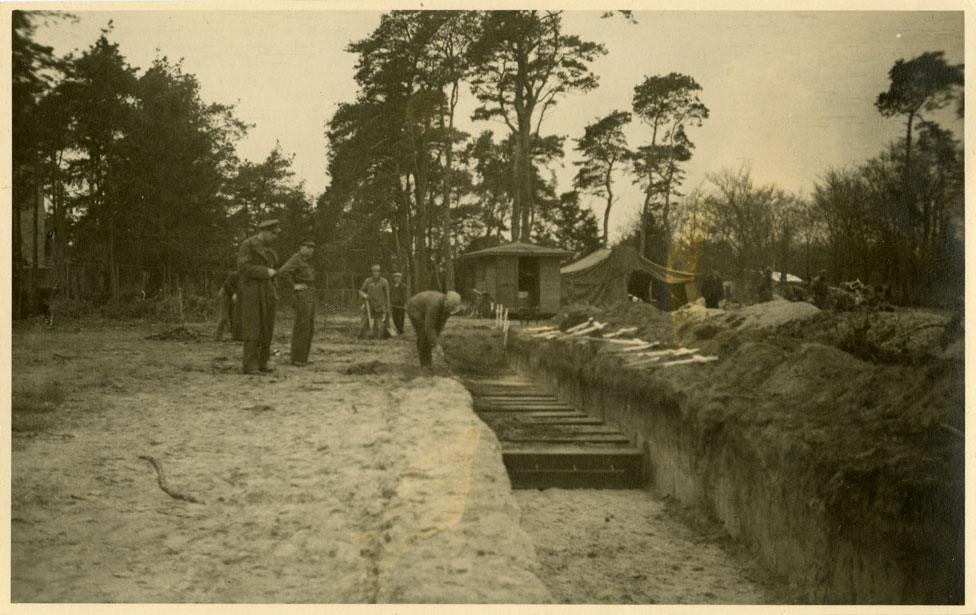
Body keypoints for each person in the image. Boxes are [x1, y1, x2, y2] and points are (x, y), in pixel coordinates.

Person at [238, 219, 281, 374]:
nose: (275, 237)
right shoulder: (247, 245)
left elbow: (274, 271)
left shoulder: (270, 250)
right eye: (274, 234)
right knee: (253, 327)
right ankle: (250, 365)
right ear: (265, 231)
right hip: (252, 292)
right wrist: (265, 272)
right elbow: (243, 268)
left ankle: (263, 362)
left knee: (267, 328)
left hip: (267, 292)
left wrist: (274, 289)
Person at [278, 239, 317, 366]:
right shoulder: (296, 259)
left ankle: (303, 358)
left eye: (312, 247)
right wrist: (293, 286)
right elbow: (283, 272)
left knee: (309, 327)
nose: (310, 249)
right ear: (301, 247)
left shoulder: (306, 261)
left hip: (309, 292)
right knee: (302, 326)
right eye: (307, 246)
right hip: (302, 295)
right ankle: (297, 358)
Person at [406, 290, 462, 368]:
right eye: (450, 307)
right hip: (414, 308)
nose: (450, 310)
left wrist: (435, 339)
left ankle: (427, 362)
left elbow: (440, 324)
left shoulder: (447, 308)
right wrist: (435, 344)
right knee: (423, 333)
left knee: (429, 337)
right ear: (446, 303)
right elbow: (429, 327)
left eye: (452, 308)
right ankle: (425, 364)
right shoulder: (434, 305)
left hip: (425, 309)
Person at [359, 264, 391, 339]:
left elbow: (387, 295)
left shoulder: (384, 281)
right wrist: (364, 295)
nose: (375, 273)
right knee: (364, 322)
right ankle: (363, 336)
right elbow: (361, 291)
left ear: (380, 272)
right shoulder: (368, 281)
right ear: (371, 272)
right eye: (374, 271)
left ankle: (379, 337)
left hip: (380, 305)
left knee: (379, 324)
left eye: (377, 271)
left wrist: (387, 307)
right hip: (369, 305)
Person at [215, 270, 240, 341]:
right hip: (225, 294)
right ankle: (218, 335)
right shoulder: (235, 274)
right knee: (223, 315)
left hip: (232, 295)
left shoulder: (246, 277)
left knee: (232, 315)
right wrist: (233, 294)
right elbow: (226, 284)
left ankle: (234, 335)